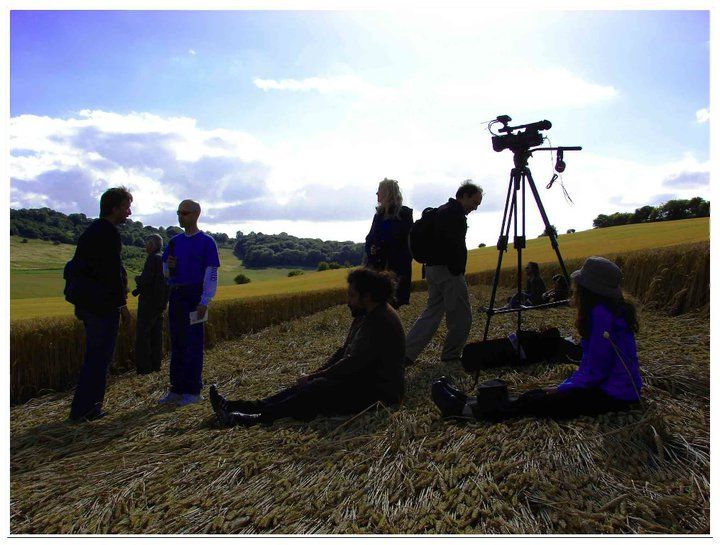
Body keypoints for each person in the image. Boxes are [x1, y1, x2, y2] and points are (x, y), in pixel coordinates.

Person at [432, 256, 642, 421]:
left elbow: (596, 370)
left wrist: (561, 388)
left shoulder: (601, 315)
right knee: (537, 396)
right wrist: (568, 384)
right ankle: (471, 401)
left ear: (589, 289)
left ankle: (465, 410)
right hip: (619, 390)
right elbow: (592, 364)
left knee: (535, 401)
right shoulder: (614, 310)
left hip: (613, 396)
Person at [209, 268, 406, 427]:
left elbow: (351, 363)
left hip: (378, 395)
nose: (348, 301)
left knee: (313, 391)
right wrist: (316, 373)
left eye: (352, 295)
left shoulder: (380, 321)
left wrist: (315, 377)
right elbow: (342, 353)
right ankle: (236, 406)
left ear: (368, 296)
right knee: (308, 386)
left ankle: (249, 418)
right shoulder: (366, 314)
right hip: (362, 381)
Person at [68, 187, 133, 421]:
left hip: (87, 304)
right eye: (126, 207)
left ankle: (83, 407)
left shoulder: (92, 231)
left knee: (94, 356)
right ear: (114, 208)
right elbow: (111, 275)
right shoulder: (108, 233)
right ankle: (87, 410)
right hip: (101, 307)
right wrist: (122, 307)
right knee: (99, 358)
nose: (129, 212)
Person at [404, 180, 483, 366]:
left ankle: (406, 354)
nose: (475, 208)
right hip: (448, 271)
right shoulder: (453, 214)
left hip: (431, 269)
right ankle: (451, 355)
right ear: (463, 196)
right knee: (462, 316)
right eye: (474, 203)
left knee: (431, 313)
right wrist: (457, 269)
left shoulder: (440, 211)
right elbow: (452, 245)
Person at [159, 200, 221, 407]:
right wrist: (169, 267)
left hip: (195, 296)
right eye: (178, 212)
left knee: (193, 343)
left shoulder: (206, 242)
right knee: (177, 343)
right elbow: (165, 271)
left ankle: (193, 391)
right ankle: (176, 389)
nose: (180, 216)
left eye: (184, 213)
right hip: (176, 294)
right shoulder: (175, 241)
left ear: (196, 214)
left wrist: (205, 300)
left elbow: (211, 273)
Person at [365, 178, 414, 308]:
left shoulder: (404, 214)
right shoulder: (379, 215)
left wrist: (380, 248)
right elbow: (370, 239)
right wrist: (371, 249)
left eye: (379, 191)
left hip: (395, 269)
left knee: (390, 305)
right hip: (377, 267)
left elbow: (403, 243)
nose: (377, 194)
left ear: (387, 193)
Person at [132, 234, 169, 374]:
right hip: (159, 304)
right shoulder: (163, 259)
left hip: (148, 303)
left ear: (152, 245)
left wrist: (138, 279)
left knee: (143, 336)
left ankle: (144, 368)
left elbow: (146, 281)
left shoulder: (152, 259)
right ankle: (156, 365)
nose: (145, 245)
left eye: (147, 242)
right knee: (156, 335)